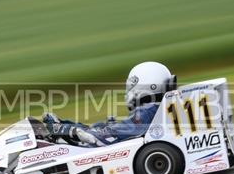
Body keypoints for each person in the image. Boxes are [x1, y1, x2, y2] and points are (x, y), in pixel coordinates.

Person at [43, 61, 177, 147]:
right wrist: (67, 124)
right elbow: (118, 129)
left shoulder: (149, 110)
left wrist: (68, 130)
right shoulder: (162, 108)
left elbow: (107, 136)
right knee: (101, 126)